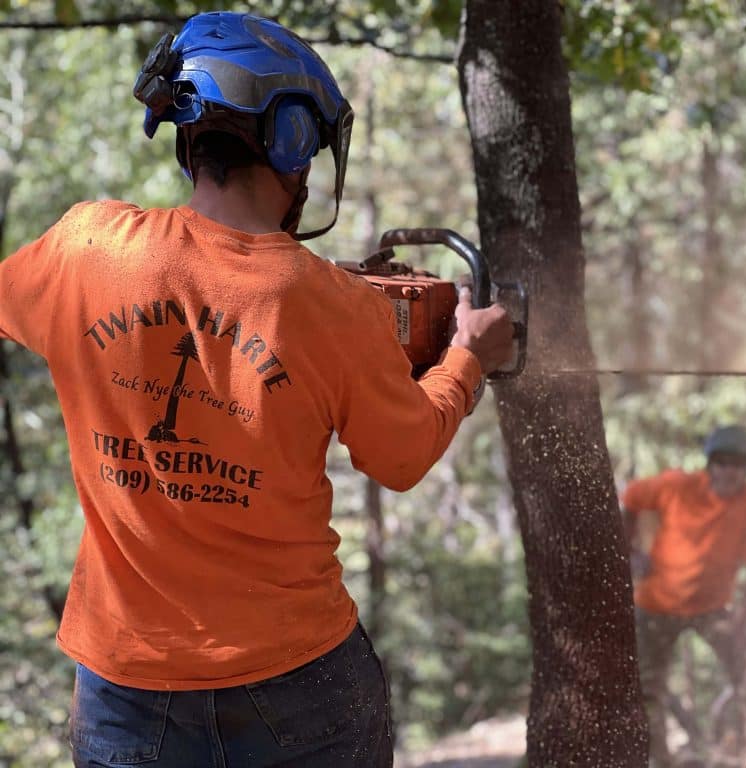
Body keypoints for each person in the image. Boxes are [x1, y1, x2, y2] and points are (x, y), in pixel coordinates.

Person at [0, 12, 513, 767]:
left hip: (126, 688)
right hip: (298, 682)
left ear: (186, 136)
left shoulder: (83, 250)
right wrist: (466, 357)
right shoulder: (335, 304)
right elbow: (401, 456)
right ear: (294, 141)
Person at [622, 425, 746, 768]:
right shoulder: (677, 486)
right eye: (721, 463)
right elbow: (631, 499)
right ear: (710, 464)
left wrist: (742, 615)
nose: (728, 472)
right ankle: (661, 760)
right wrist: (629, 551)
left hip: (712, 608)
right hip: (657, 604)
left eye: (737, 465)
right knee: (647, 689)